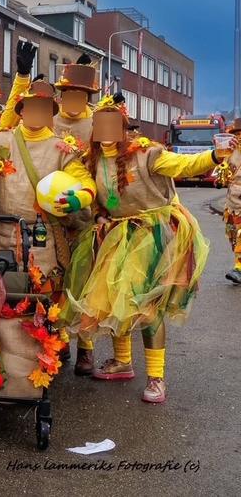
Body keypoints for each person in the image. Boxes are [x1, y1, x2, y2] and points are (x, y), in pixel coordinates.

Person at [61, 98, 223, 403]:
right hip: (117, 235)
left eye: (113, 125)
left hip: (154, 235)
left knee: (148, 310)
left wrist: (215, 156)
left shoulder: (148, 154)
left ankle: (156, 377)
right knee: (113, 300)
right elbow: (93, 192)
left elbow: (185, 165)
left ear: (124, 129)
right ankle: (123, 361)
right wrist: (90, 209)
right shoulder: (90, 160)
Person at [0, 79, 98, 374]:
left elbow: (85, 182)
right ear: (21, 111)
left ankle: (46, 355)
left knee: (45, 298)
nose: (36, 113)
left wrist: (79, 198)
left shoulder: (62, 149)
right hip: (0, 236)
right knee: (3, 299)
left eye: (43, 109)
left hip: (42, 240)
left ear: (51, 114)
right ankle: (5, 359)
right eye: (31, 107)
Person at [219, 118, 241, 285]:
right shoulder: (229, 152)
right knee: (233, 235)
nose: (239, 137)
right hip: (232, 202)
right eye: (237, 134)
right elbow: (223, 174)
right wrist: (220, 178)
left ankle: (238, 268)